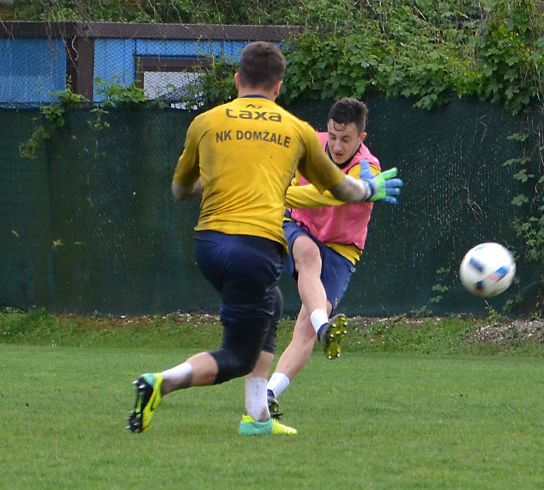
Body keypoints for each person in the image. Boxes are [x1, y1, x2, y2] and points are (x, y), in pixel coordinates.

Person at [126, 41, 402, 436]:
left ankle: (257, 417)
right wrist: (368, 189)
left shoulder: (205, 122)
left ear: (237, 79)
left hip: (208, 245)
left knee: (271, 306)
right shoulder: (296, 130)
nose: (338, 144)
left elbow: (180, 190)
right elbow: (340, 189)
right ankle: (160, 382)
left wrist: (215, 179)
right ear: (278, 87)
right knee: (239, 354)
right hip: (253, 249)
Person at [266, 97, 390, 418]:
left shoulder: (368, 166)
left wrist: (368, 186)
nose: (336, 145)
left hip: (341, 249)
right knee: (308, 254)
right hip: (299, 226)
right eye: (333, 136)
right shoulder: (310, 145)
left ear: (361, 138)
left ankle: (269, 393)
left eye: (346, 139)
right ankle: (325, 327)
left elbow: (334, 193)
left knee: (304, 327)